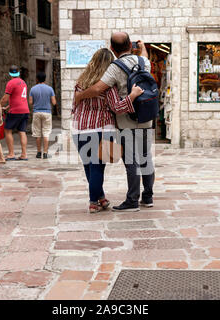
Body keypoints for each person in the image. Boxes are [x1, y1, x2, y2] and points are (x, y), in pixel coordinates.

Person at [75, 32, 156, 212]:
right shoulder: (145, 62)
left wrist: (80, 95)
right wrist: (141, 48)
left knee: (131, 160)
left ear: (112, 48)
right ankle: (148, 196)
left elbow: (97, 88)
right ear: (130, 46)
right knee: (146, 158)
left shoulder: (115, 67)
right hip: (145, 119)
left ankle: (132, 200)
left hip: (126, 120)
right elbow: (144, 56)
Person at [0, 65, 30, 161]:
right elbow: (19, 98)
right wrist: (9, 106)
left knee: (8, 130)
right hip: (25, 110)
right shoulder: (23, 82)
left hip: (15, 111)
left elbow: (5, 98)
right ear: (18, 73)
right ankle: (24, 154)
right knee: (22, 131)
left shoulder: (11, 83)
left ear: (10, 73)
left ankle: (11, 154)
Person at [29, 72, 57, 159]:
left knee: (37, 133)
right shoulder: (50, 89)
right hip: (47, 112)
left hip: (36, 112)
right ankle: (45, 153)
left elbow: (30, 102)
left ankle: (38, 152)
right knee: (46, 133)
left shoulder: (33, 89)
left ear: (37, 79)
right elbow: (54, 102)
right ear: (45, 79)